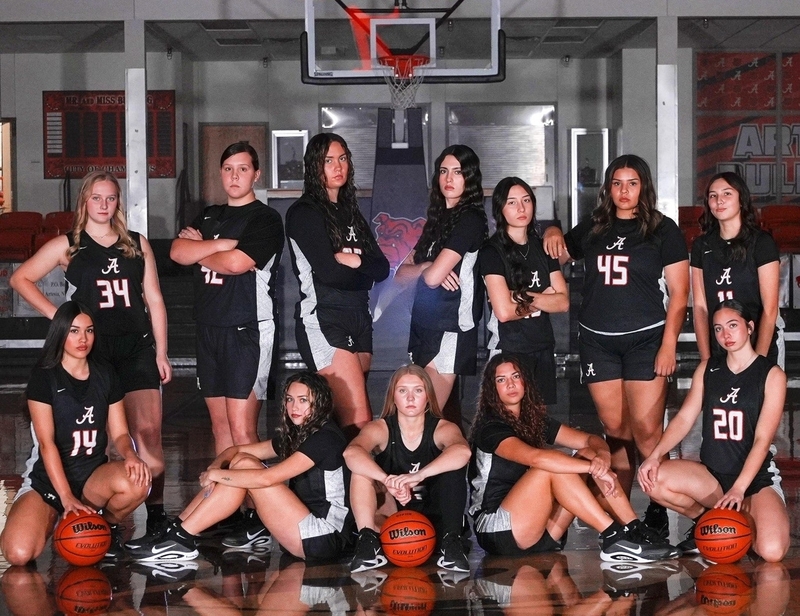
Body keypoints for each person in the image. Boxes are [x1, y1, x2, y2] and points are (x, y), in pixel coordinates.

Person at [10, 170, 170, 541]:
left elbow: (156, 299)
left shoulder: (137, 243)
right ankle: (97, 515)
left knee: (148, 435)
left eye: (110, 198)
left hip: (135, 347)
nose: (103, 205)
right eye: (96, 198)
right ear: (84, 202)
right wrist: (60, 319)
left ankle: (157, 515)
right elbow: (21, 278)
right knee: (100, 435)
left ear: (118, 202)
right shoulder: (70, 245)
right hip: (92, 349)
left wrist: (161, 352)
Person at [543, 154, 689, 536]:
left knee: (646, 431)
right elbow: (558, 248)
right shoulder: (594, 226)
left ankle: (658, 501)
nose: (624, 191)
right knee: (615, 429)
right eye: (617, 184)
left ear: (644, 187)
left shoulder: (663, 229)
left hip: (646, 341)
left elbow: (679, 294)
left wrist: (669, 345)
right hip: (598, 342)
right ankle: (625, 512)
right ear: (608, 188)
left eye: (633, 183)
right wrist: (550, 231)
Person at [169, 142, 284, 546]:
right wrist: (218, 247)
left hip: (246, 329)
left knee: (242, 428)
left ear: (257, 174)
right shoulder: (209, 215)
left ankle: (258, 514)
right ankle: (231, 508)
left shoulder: (266, 219)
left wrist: (205, 252)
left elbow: (238, 265)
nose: (234, 176)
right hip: (209, 328)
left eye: (243, 169)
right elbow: (177, 251)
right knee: (219, 427)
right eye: (228, 169)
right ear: (220, 174)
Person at [468, 353, 679, 562]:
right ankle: (613, 536)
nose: (511, 384)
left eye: (515, 376)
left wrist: (602, 458)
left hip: (540, 529)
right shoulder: (490, 427)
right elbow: (536, 458)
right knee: (549, 466)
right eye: (501, 380)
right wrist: (591, 470)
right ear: (491, 389)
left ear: (525, 381)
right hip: (498, 530)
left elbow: (590, 440)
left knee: (588, 455)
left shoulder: (532, 419)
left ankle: (634, 529)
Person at [127, 372, 356, 563]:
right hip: (304, 531)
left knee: (243, 470)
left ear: (320, 402)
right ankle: (177, 531)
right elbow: (236, 451)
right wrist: (217, 466)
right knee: (242, 463)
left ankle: (181, 537)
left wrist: (218, 474)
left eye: (303, 400)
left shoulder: (325, 438)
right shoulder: (301, 433)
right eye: (289, 399)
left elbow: (266, 479)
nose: (293, 406)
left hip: (325, 537)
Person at [0, 302, 151, 565]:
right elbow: (47, 445)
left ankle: (106, 527)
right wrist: (65, 497)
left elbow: (120, 433)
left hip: (92, 477)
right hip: (48, 481)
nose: (83, 339)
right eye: (74, 331)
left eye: (89, 331)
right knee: (18, 555)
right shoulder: (44, 378)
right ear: (60, 333)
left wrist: (131, 455)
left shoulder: (106, 374)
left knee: (138, 480)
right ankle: (53, 519)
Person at [638, 300, 789, 562]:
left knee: (771, 552)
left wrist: (739, 489)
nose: (725, 335)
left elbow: (763, 441)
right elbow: (684, 418)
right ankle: (705, 521)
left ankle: (744, 518)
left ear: (750, 327)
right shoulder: (709, 369)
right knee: (654, 480)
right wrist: (654, 455)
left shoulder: (771, 375)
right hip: (713, 478)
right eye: (718, 329)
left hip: (754, 482)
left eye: (733, 326)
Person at [285, 133, 390, 437]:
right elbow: (329, 274)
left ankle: (330, 480)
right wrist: (363, 271)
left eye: (342, 158)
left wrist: (354, 262)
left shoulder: (351, 212)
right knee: (361, 423)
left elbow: (382, 268)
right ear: (314, 166)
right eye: (328, 160)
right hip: (324, 317)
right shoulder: (305, 213)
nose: (337, 166)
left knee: (340, 423)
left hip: (359, 317)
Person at [344, 364, 472, 573]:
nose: (410, 398)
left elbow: (463, 452)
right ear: (393, 397)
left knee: (453, 464)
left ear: (428, 396)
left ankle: (452, 542)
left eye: (418, 390)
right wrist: (388, 480)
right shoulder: (380, 428)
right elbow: (351, 453)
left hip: (434, 519)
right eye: (403, 390)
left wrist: (417, 476)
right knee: (361, 469)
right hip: (392, 518)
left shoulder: (443, 428)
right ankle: (367, 544)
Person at [395, 144, 488, 421]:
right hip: (424, 323)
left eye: (458, 172)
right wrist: (426, 266)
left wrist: (427, 272)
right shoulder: (437, 220)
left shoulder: (470, 219)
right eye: (444, 171)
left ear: (469, 178)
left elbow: (434, 279)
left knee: (424, 415)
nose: (449, 178)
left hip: (451, 326)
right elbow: (400, 275)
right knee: (429, 417)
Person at [480, 177, 569, 405]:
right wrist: (545, 296)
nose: (521, 208)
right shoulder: (492, 251)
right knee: (511, 422)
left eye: (526, 200)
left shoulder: (542, 247)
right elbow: (504, 312)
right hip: (509, 349)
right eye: (511, 202)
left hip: (543, 346)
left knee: (538, 422)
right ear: (500, 209)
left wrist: (522, 297)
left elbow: (563, 303)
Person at [691, 171, 782, 367]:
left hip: (757, 345)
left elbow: (770, 308)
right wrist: (706, 359)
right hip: (719, 347)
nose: (719, 201)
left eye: (727, 194)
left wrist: (758, 362)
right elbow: (700, 307)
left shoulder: (761, 242)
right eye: (713, 196)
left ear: (742, 199)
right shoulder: (702, 245)